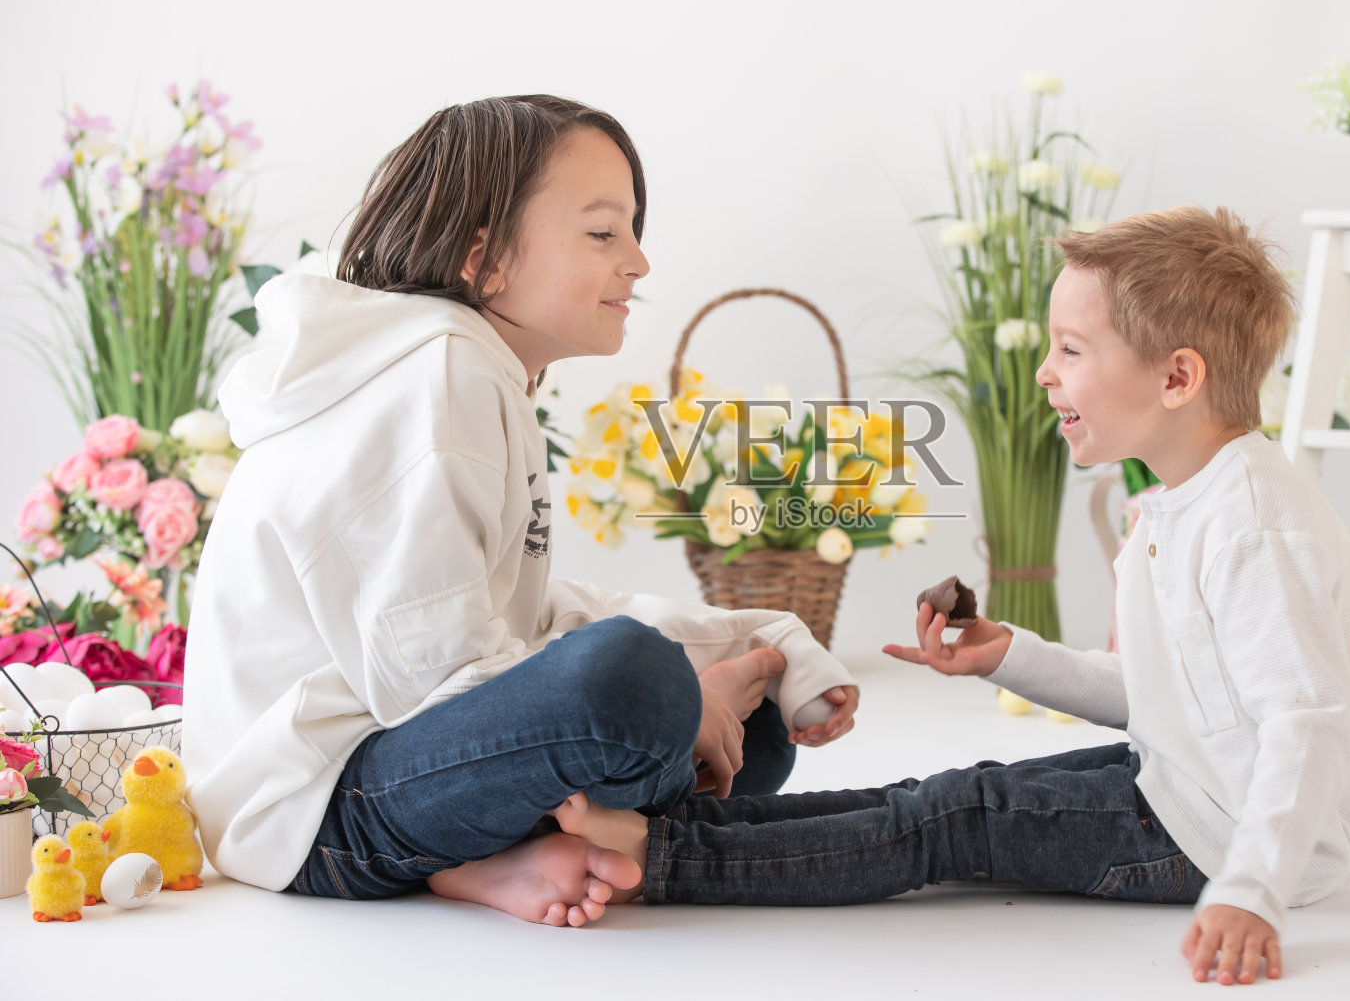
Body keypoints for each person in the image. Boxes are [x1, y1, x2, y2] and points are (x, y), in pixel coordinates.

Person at [554, 206, 1350, 985]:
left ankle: (661, 859)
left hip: (1229, 841)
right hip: (1199, 793)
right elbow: (1173, 700)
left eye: (1071, 349)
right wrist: (1012, 657)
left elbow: (1305, 724)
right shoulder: (1186, 501)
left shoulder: (1250, 527)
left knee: (954, 817)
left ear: (1177, 376)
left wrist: (1250, 889)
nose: (1043, 372)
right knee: (946, 793)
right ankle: (676, 835)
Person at [182, 95, 860, 928]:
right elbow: (434, 683)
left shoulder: (478, 370)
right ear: (486, 258)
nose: (639, 262)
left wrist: (764, 639)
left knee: (756, 734)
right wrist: (683, 696)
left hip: (401, 761)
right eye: (605, 232)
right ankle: (483, 856)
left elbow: (534, 617)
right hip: (314, 811)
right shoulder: (434, 374)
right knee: (636, 685)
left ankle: (505, 853)